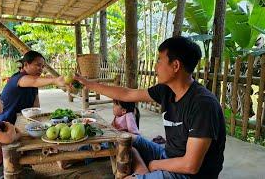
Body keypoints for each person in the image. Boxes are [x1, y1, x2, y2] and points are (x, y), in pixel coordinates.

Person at [74, 36, 226, 179]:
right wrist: (89, 84)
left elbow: (190, 165)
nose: (155, 67)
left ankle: (142, 173)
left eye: (159, 60)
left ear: (176, 65)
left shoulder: (203, 105)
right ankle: (142, 172)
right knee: (126, 140)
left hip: (190, 175)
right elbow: (127, 94)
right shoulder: (166, 90)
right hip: (169, 155)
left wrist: (155, 164)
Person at [0, 51, 66, 124]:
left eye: (42, 66)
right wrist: (55, 80)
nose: (41, 69)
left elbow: (36, 106)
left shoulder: (33, 82)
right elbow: (34, 81)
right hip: (2, 123)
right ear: (25, 64)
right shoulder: (19, 78)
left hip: (17, 122)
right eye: (38, 65)